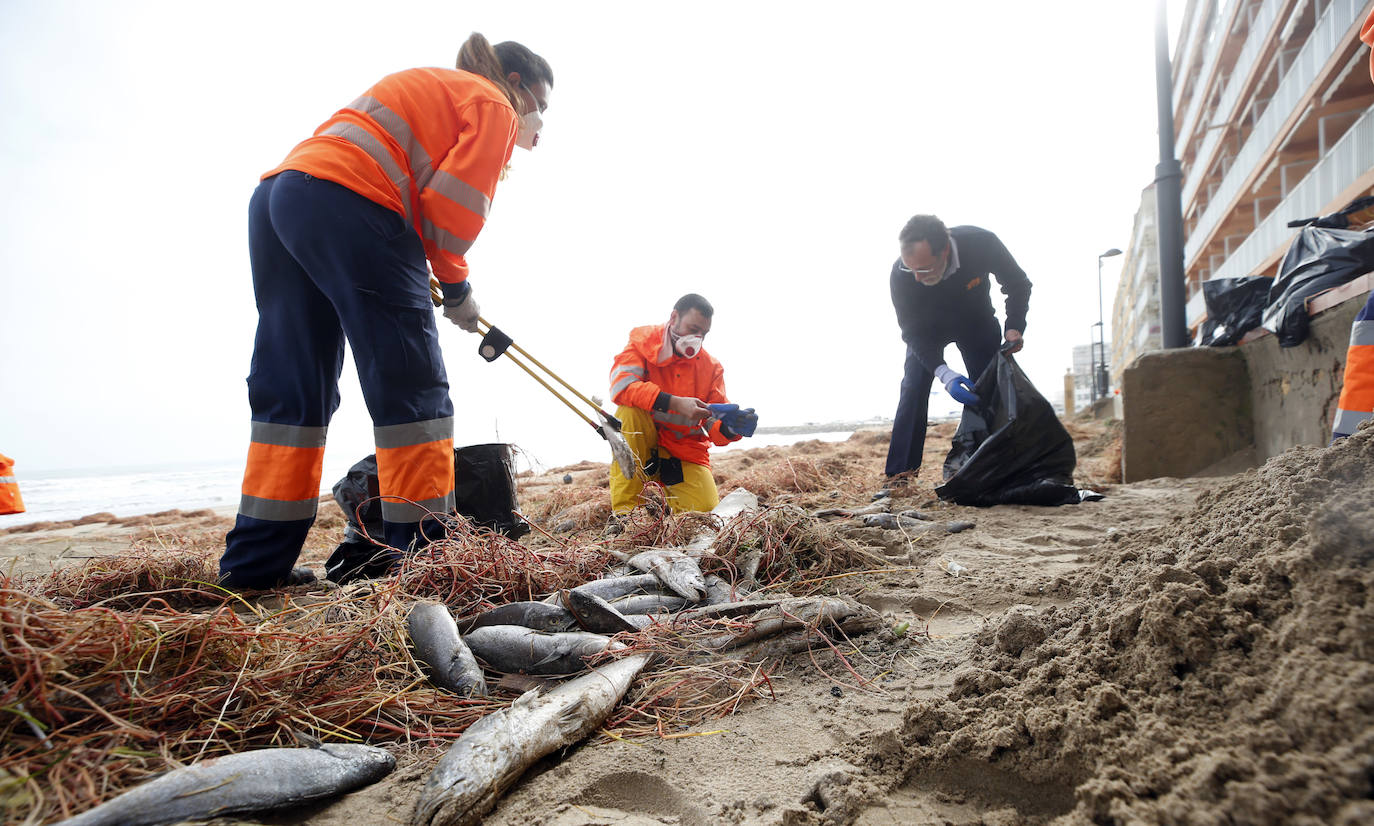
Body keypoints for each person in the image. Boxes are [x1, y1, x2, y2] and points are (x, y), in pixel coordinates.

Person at [219, 34, 554, 589]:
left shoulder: (438, 88)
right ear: (517, 85)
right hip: (352, 199)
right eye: (541, 104)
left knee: (292, 390)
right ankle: (424, 562)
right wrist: (458, 289)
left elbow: (405, 195)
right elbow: (449, 216)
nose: (539, 120)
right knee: (412, 386)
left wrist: (413, 267)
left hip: (283, 198)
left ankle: (253, 571)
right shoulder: (493, 101)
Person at [885, 215, 1032, 479]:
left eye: (925, 269)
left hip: (976, 323)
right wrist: (945, 373)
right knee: (913, 388)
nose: (917, 278)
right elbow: (911, 332)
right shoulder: (902, 274)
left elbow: (1017, 284)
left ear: (945, 250)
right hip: (927, 332)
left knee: (990, 389)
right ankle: (900, 476)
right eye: (912, 269)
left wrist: (1014, 326)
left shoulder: (981, 243)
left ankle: (992, 466)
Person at [606, 294, 758, 514]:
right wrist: (675, 403)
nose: (697, 338)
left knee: (703, 512)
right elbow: (622, 386)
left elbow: (711, 422)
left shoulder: (711, 368)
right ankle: (626, 513)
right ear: (674, 317)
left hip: (683, 451)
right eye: (692, 328)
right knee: (628, 411)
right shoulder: (642, 342)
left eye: (703, 334)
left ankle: (664, 504)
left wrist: (728, 428)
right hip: (642, 444)